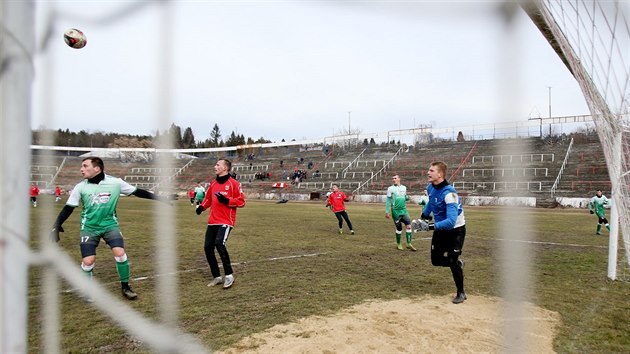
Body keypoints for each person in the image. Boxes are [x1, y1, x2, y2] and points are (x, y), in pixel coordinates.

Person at [49, 157, 169, 300]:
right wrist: (56, 225)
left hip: (110, 225)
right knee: (88, 261)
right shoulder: (80, 187)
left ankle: (126, 287)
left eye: (85, 166)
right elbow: (68, 208)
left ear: (97, 169)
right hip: (89, 228)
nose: (81, 169)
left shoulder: (115, 183)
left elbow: (137, 191)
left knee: (120, 253)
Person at [420, 161, 467, 304]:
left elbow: (451, 221)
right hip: (441, 229)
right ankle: (457, 262)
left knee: (452, 261)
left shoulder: (449, 193)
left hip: (455, 231)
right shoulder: (430, 187)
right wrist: (423, 217)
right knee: (436, 260)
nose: (428, 173)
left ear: (440, 174)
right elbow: (431, 203)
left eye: (431, 170)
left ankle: (461, 292)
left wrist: (429, 227)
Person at [195, 158, 245, 289]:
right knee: (207, 247)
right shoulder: (213, 184)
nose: (215, 167)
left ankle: (229, 275)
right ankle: (216, 276)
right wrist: (201, 207)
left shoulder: (234, 184)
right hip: (212, 221)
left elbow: (241, 202)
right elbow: (208, 200)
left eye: (217, 165)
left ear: (225, 168)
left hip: (226, 221)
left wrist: (227, 200)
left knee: (219, 243)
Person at [385, 174, 416, 251]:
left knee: (409, 226)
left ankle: (409, 243)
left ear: (399, 179)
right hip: (395, 211)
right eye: (393, 178)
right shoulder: (390, 188)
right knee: (399, 228)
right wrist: (387, 211)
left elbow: (404, 197)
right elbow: (388, 200)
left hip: (404, 210)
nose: (393, 179)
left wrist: (407, 197)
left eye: (395, 178)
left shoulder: (404, 188)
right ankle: (399, 244)